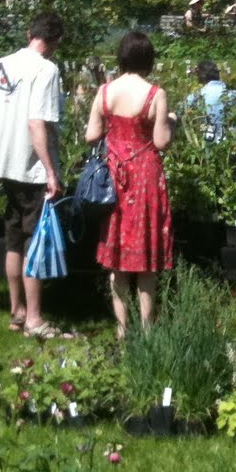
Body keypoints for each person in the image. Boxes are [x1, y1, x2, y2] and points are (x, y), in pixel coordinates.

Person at [86, 31, 173, 339]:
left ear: (121, 58)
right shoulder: (155, 94)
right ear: (148, 59)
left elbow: (91, 135)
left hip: (114, 176)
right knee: (146, 259)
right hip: (145, 175)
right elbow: (161, 141)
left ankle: (123, 330)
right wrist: (171, 122)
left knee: (117, 257)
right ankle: (148, 331)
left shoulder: (105, 91)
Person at [0, 11, 66, 339]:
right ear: (55, 42)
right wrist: (50, 171)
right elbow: (37, 122)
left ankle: (16, 311)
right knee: (36, 240)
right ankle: (34, 319)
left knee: (14, 237)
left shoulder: (2, 64)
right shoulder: (46, 69)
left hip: (3, 162)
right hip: (30, 166)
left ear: (28, 32)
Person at [187, 59, 232, 140]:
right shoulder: (231, 91)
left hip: (211, 136)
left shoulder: (200, 93)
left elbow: (185, 105)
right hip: (230, 137)